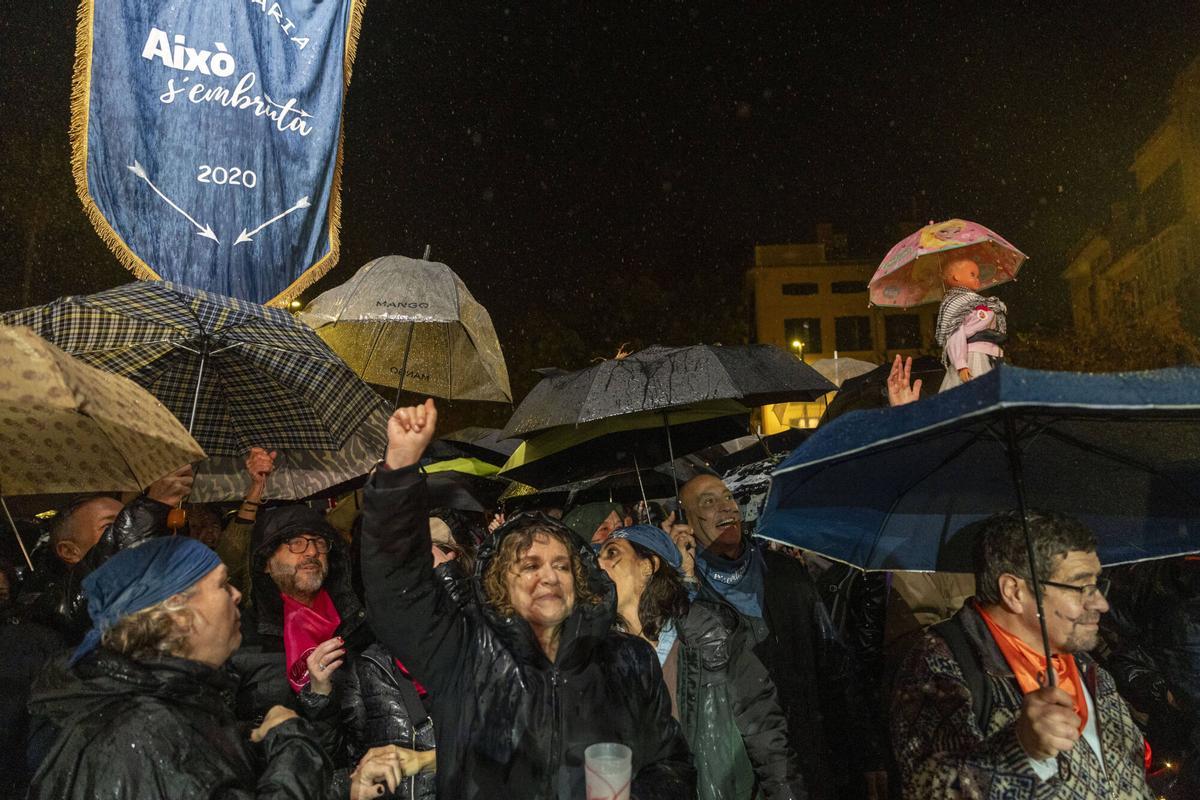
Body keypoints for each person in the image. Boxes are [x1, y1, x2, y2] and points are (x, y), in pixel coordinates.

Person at [361, 399, 695, 799]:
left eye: (561, 565)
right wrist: (398, 471)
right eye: (530, 566)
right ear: (502, 582)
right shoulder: (464, 654)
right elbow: (395, 590)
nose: (548, 576)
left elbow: (670, 764)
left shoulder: (627, 661)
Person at [24, 535, 402, 799]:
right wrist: (293, 745)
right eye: (222, 585)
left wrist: (341, 787)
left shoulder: (182, 703)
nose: (237, 595)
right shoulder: (145, 730)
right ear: (180, 614)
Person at [890, 511, 1152, 798]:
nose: (1101, 603)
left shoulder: (1084, 664)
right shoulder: (941, 665)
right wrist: (1021, 750)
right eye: (1081, 587)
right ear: (1014, 592)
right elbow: (928, 791)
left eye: (1098, 584)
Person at [672, 474, 886, 800]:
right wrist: (681, 581)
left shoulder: (786, 574)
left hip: (815, 764)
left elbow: (836, 666)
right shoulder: (688, 595)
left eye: (728, 497)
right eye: (708, 502)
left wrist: (868, 751)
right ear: (686, 521)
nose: (725, 508)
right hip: (743, 779)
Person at [597, 524, 807, 799]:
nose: (599, 563)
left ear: (649, 565)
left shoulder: (712, 636)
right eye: (596, 557)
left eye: (612, 553)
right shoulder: (600, 659)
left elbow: (766, 736)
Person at [934, 256, 1007, 392]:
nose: (977, 278)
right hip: (973, 356)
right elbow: (955, 333)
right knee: (978, 394)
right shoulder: (954, 303)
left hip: (992, 354)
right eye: (972, 274)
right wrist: (961, 363)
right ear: (956, 277)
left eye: (978, 275)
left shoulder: (978, 301)